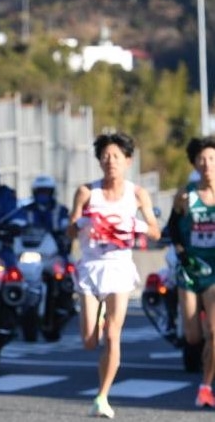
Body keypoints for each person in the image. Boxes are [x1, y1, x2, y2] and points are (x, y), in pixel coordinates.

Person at [66, 132, 160, 418]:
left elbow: (156, 231)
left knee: (113, 335)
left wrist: (133, 225)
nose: (110, 162)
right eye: (105, 156)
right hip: (91, 267)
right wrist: (85, 221)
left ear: (128, 161)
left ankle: (102, 396)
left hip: (119, 267)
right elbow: (70, 230)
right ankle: (100, 320)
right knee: (89, 341)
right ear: (99, 161)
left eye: (116, 157)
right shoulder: (86, 192)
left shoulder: (137, 193)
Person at [166, 136, 215, 408]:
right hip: (190, 269)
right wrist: (181, 252)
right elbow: (172, 228)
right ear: (194, 163)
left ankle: (206, 387)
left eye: (211, 159)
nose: (207, 164)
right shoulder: (186, 195)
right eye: (202, 160)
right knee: (194, 337)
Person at [4, 174, 71, 258]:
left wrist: (64, 228)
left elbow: (66, 223)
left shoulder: (60, 210)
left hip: (55, 250)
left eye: (46, 192)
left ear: (52, 192)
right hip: (29, 248)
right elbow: (17, 220)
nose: (43, 194)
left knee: (68, 265)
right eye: (40, 192)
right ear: (34, 192)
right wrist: (14, 226)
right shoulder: (26, 210)